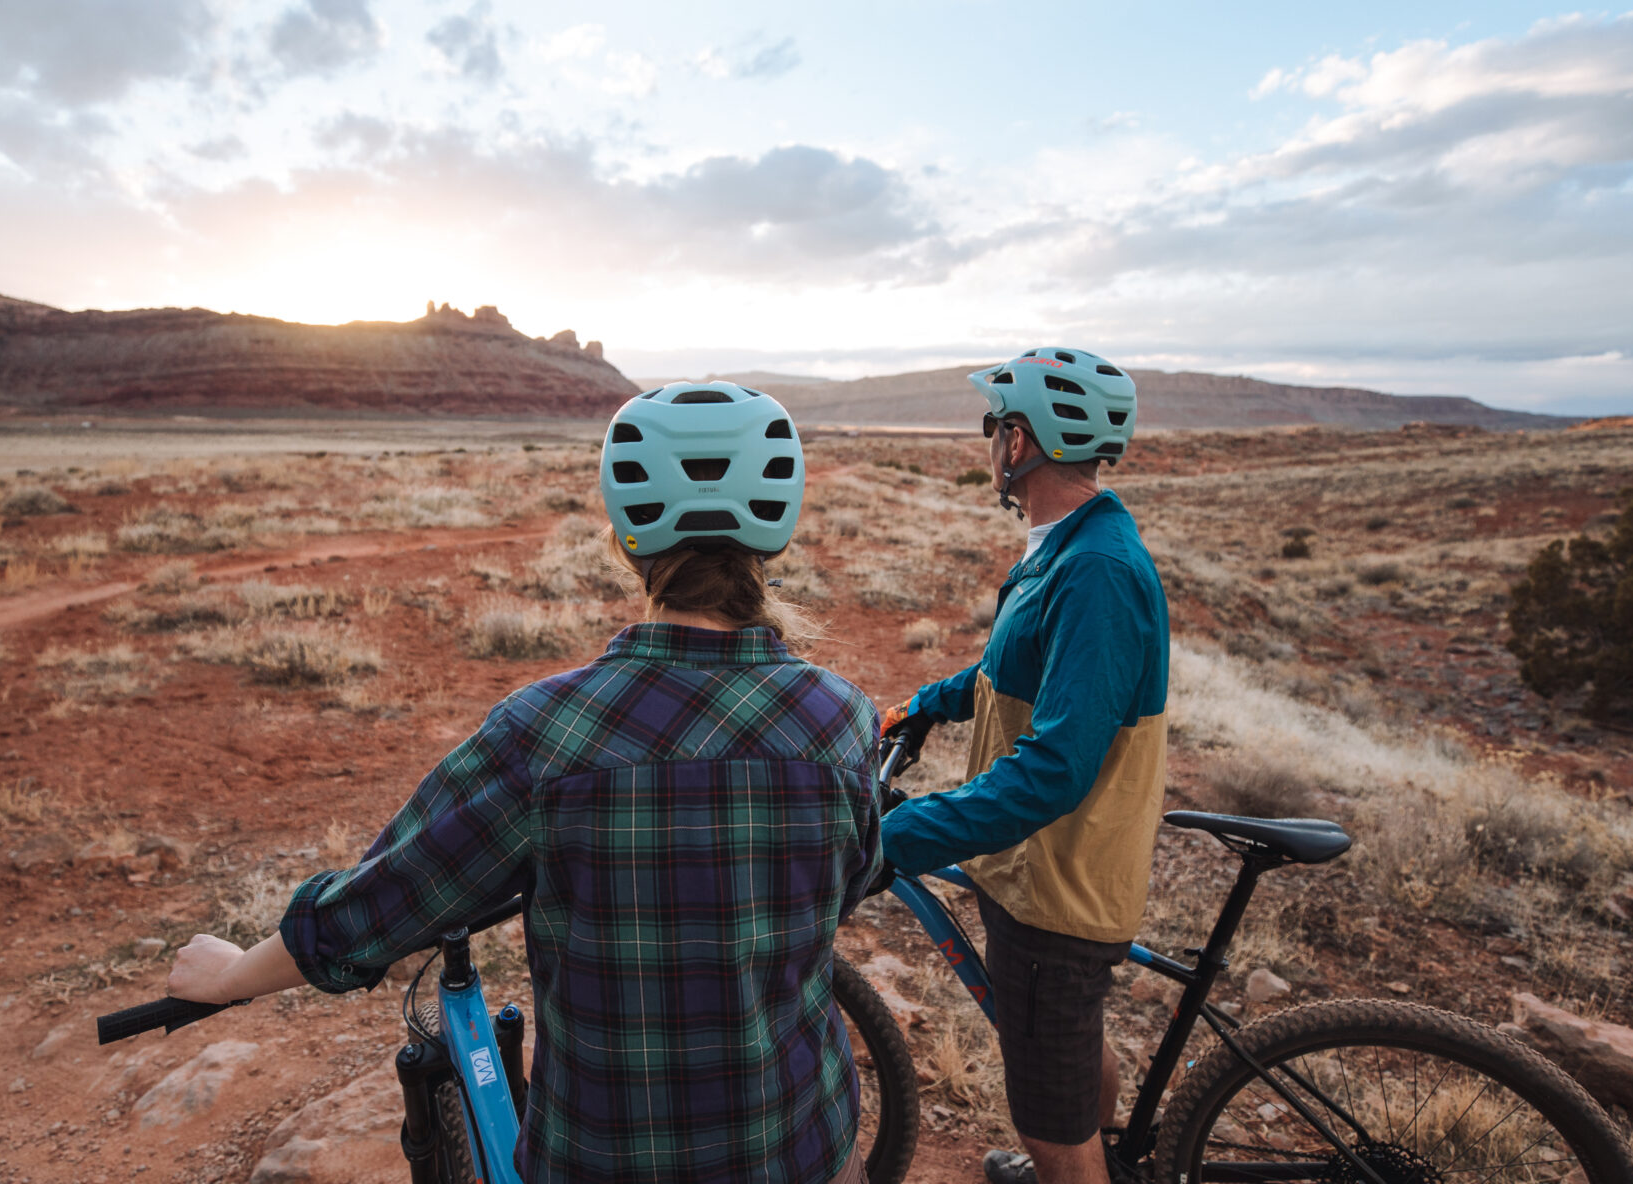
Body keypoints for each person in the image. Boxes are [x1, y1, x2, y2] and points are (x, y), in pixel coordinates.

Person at [167, 381, 882, 1184]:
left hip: (606, 1160)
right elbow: (844, 889)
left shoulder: (545, 732)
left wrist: (231, 976)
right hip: (802, 1148)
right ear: (773, 537)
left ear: (625, 540)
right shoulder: (842, 719)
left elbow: (379, 904)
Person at [879, 349, 1168, 1184]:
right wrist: (930, 703)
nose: (990, 444)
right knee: (1067, 1050)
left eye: (994, 426)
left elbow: (1054, 771)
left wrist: (901, 832)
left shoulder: (1097, 573)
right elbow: (1013, 672)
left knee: (1047, 1116)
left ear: (1019, 442)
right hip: (1042, 868)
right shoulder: (1067, 545)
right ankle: (1092, 1153)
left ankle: (1072, 1165)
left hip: (1058, 887)